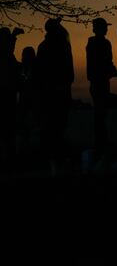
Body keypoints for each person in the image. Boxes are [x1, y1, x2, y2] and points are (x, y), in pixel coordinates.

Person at [35, 19, 74, 169]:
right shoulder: (63, 45)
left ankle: (49, 158)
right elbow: (69, 73)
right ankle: (56, 158)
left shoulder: (43, 46)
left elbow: (39, 73)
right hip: (58, 93)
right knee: (57, 126)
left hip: (48, 93)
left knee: (50, 127)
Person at [86, 18, 117, 153]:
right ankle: (101, 142)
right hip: (100, 82)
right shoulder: (104, 43)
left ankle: (100, 141)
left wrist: (111, 72)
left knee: (99, 112)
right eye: (105, 27)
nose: (107, 30)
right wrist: (113, 72)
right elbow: (106, 62)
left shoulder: (91, 43)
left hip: (96, 82)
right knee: (101, 113)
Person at [0, 27, 23, 165]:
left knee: (8, 126)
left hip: (9, 93)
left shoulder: (7, 55)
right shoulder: (4, 55)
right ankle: (8, 156)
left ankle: (9, 154)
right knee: (7, 126)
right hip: (6, 93)